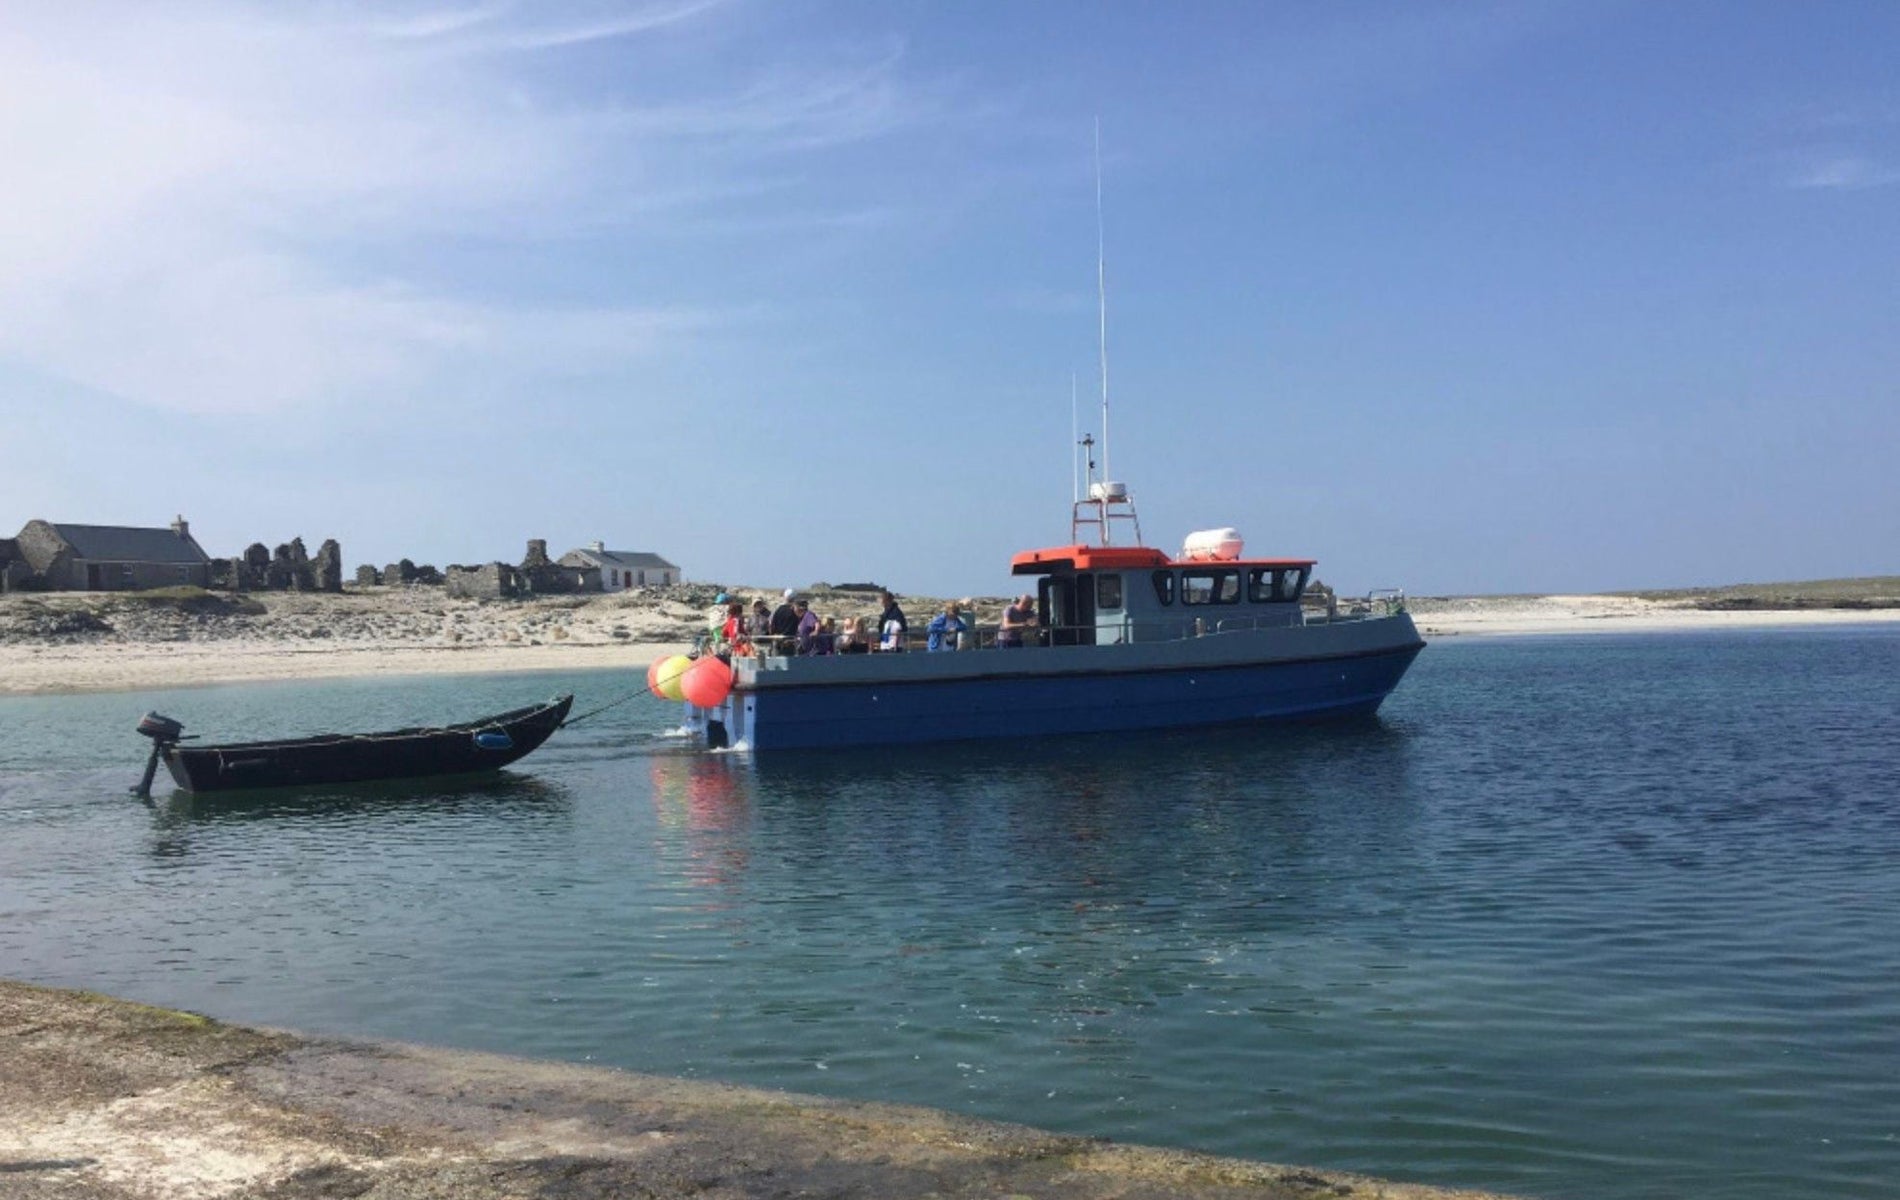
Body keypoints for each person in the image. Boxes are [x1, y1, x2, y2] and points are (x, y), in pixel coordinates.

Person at [769, 588, 800, 654]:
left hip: (778, 641)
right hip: (790, 642)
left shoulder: (778, 610)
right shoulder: (794, 611)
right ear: (794, 598)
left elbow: (772, 626)